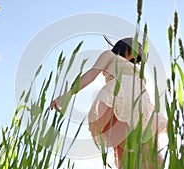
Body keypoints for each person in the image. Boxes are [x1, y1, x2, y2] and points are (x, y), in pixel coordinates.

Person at [51, 37, 167, 168]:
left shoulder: (135, 68)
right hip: (120, 104)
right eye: (138, 45)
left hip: (141, 108)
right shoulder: (110, 56)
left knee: (131, 158)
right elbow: (91, 74)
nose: (141, 48)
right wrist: (68, 94)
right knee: (148, 155)